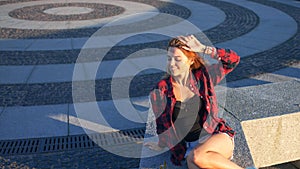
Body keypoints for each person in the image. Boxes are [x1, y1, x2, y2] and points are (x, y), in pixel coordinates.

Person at [145, 35, 255, 169]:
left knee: (197, 157)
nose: (172, 64)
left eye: (177, 59)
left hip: (215, 137)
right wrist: (160, 144)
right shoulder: (160, 90)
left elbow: (233, 60)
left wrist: (204, 49)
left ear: (190, 61)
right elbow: (162, 122)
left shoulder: (203, 77)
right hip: (189, 146)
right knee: (193, 160)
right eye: (169, 59)